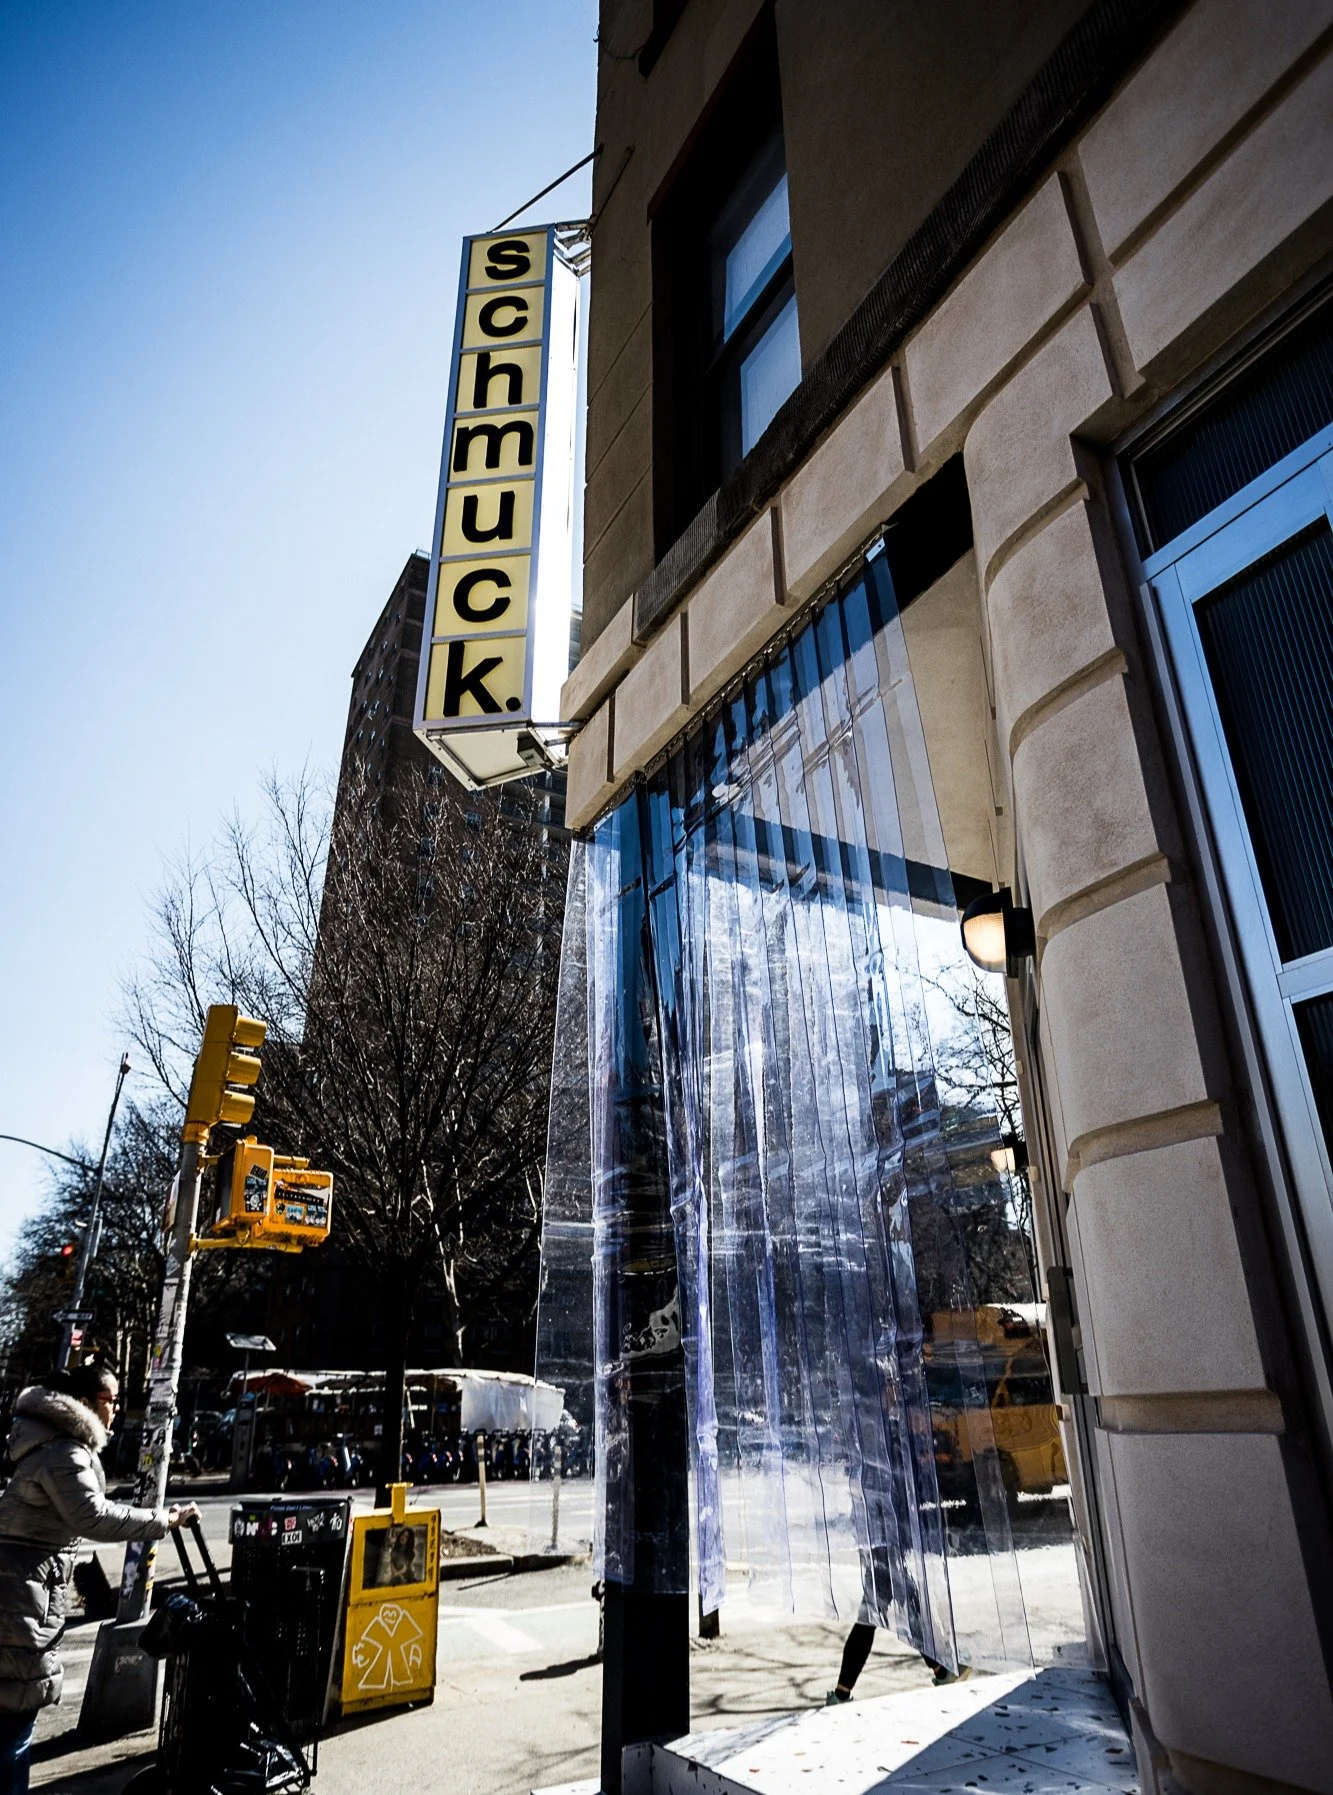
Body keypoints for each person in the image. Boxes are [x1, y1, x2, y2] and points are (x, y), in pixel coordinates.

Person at [0, 1364, 199, 1794]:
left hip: (21, 1592)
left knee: (10, 1723)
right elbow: (93, 1515)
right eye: (110, 1399)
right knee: (14, 1727)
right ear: (87, 1404)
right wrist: (164, 1519)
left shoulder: (48, 1445)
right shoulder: (63, 1452)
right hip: (20, 1599)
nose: (116, 1410)